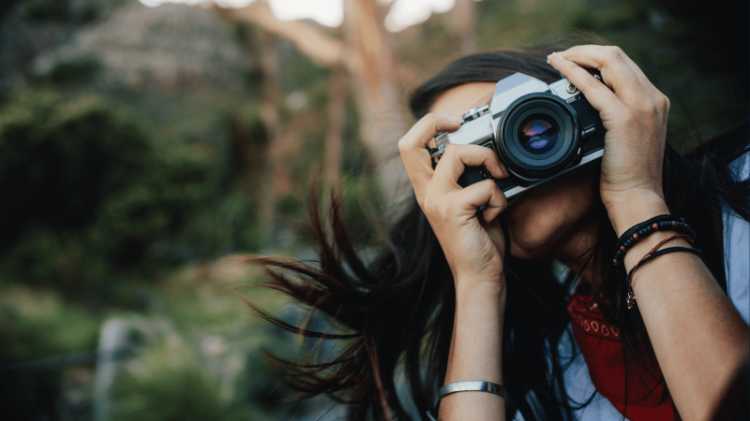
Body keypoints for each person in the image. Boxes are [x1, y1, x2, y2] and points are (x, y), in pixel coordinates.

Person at [245, 41, 749, 421]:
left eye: (521, 120)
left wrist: (638, 196)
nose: (505, 154)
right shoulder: (554, 370)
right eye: (468, 152)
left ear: (594, 103)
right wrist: (477, 283)